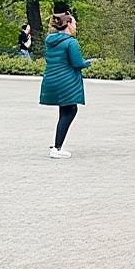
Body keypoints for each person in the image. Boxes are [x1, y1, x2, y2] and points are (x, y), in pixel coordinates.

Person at [40, 12, 90, 159]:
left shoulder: (50, 40)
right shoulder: (71, 42)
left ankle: (57, 144)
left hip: (52, 79)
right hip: (67, 81)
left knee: (65, 110)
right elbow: (77, 63)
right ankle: (57, 147)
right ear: (68, 24)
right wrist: (88, 62)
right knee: (70, 110)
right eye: (74, 23)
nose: (75, 26)